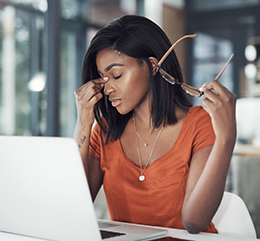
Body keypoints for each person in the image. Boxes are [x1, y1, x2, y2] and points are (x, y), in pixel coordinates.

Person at [73, 15, 236, 234]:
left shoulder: (199, 123)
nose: (107, 89)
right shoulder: (104, 131)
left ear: (152, 66)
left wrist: (226, 138)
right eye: (103, 79)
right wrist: (83, 123)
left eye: (117, 75)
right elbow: (73, 208)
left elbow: (194, 222)